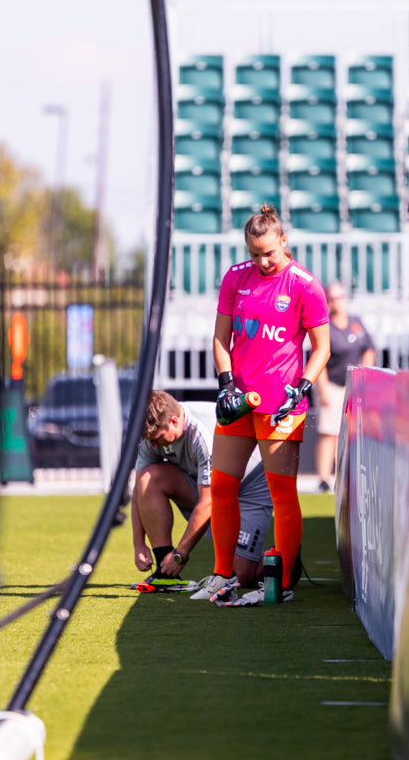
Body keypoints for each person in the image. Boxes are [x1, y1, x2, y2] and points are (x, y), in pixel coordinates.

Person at [199, 203, 331, 605]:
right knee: (222, 487)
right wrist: (225, 385)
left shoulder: (305, 285)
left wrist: (303, 386)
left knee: (282, 494)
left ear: (283, 241)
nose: (262, 261)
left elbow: (321, 347)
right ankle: (223, 576)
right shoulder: (236, 278)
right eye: (255, 253)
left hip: (280, 406)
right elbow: (221, 339)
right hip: (239, 402)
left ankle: (284, 584)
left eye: (269, 253)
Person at [131, 391, 274, 599]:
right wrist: (138, 544)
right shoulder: (153, 434)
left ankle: (282, 561)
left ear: (174, 421)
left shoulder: (202, 434)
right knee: (148, 477)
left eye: (158, 438)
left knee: (241, 575)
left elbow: (209, 503)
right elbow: (139, 489)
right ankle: (166, 574)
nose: (153, 445)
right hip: (208, 487)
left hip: (250, 485)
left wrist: (180, 555)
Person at [314, 281, 376, 492]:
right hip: (331, 384)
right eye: (331, 298)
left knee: (353, 433)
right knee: (329, 432)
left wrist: (365, 372)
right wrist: (323, 390)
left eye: (339, 297)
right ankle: (324, 477)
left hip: (354, 385)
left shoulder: (355, 323)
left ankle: (349, 474)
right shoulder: (325, 326)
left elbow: (368, 348)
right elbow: (319, 359)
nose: (336, 302)